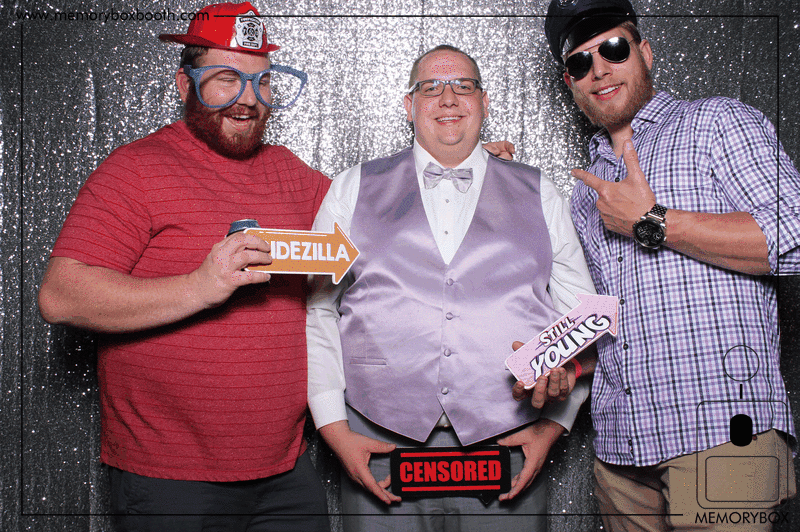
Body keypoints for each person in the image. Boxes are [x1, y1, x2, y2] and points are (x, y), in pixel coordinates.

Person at [37, 3, 332, 531]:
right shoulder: (136, 169)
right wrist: (200, 286)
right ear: (184, 85)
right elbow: (61, 296)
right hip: (170, 478)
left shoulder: (291, 173)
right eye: (227, 79)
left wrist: (468, 168)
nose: (249, 99)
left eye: (263, 81)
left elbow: (379, 231)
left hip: (286, 470)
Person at [306, 44, 597, 532]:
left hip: (507, 444)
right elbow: (319, 310)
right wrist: (333, 427)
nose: (447, 98)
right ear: (409, 105)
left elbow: (583, 318)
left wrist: (554, 426)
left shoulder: (539, 190)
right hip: (377, 440)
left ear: (484, 102)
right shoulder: (351, 187)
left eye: (463, 86)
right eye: (431, 87)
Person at [544, 0, 799, 530]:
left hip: (722, 435)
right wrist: (497, 183)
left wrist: (653, 221)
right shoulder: (586, 190)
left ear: (646, 52)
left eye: (614, 49)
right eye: (580, 62)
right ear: (570, 82)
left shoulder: (717, 122)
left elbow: (793, 239)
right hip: (621, 450)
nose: (599, 70)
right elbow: (605, 310)